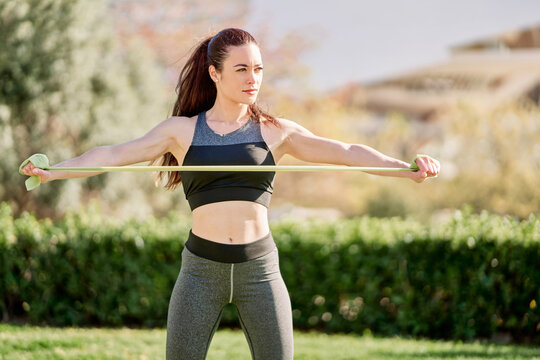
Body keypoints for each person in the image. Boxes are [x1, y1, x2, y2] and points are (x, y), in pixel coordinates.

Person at [20, 28, 440, 360]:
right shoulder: (181, 132)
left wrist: (405, 169)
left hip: (261, 270)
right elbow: (114, 153)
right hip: (201, 270)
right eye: (241, 69)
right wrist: (54, 171)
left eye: (258, 69)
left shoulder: (277, 131)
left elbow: (347, 152)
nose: (252, 79)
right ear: (215, 73)